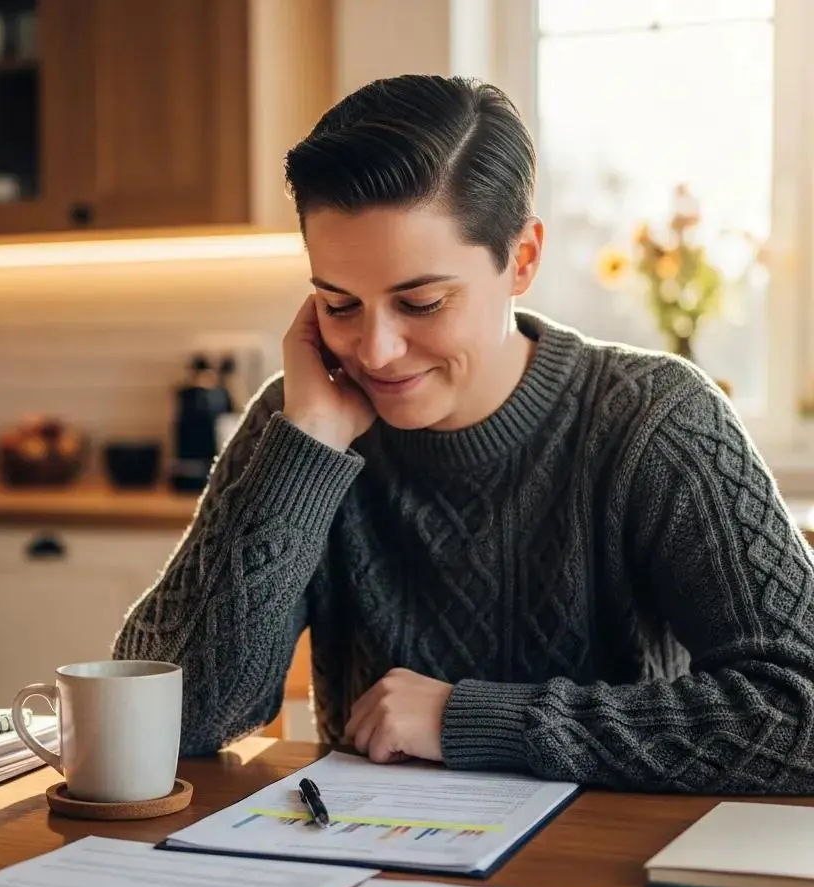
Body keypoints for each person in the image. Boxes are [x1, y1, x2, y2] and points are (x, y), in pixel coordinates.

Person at [113, 74, 814, 794]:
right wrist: (308, 451)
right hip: (365, 875)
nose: (376, 350)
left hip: (601, 879)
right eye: (339, 303)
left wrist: (471, 719)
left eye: (421, 301)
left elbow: (804, 715)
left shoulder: (657, 420)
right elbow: (164, 722)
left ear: (524, 260)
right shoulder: (300, 425)